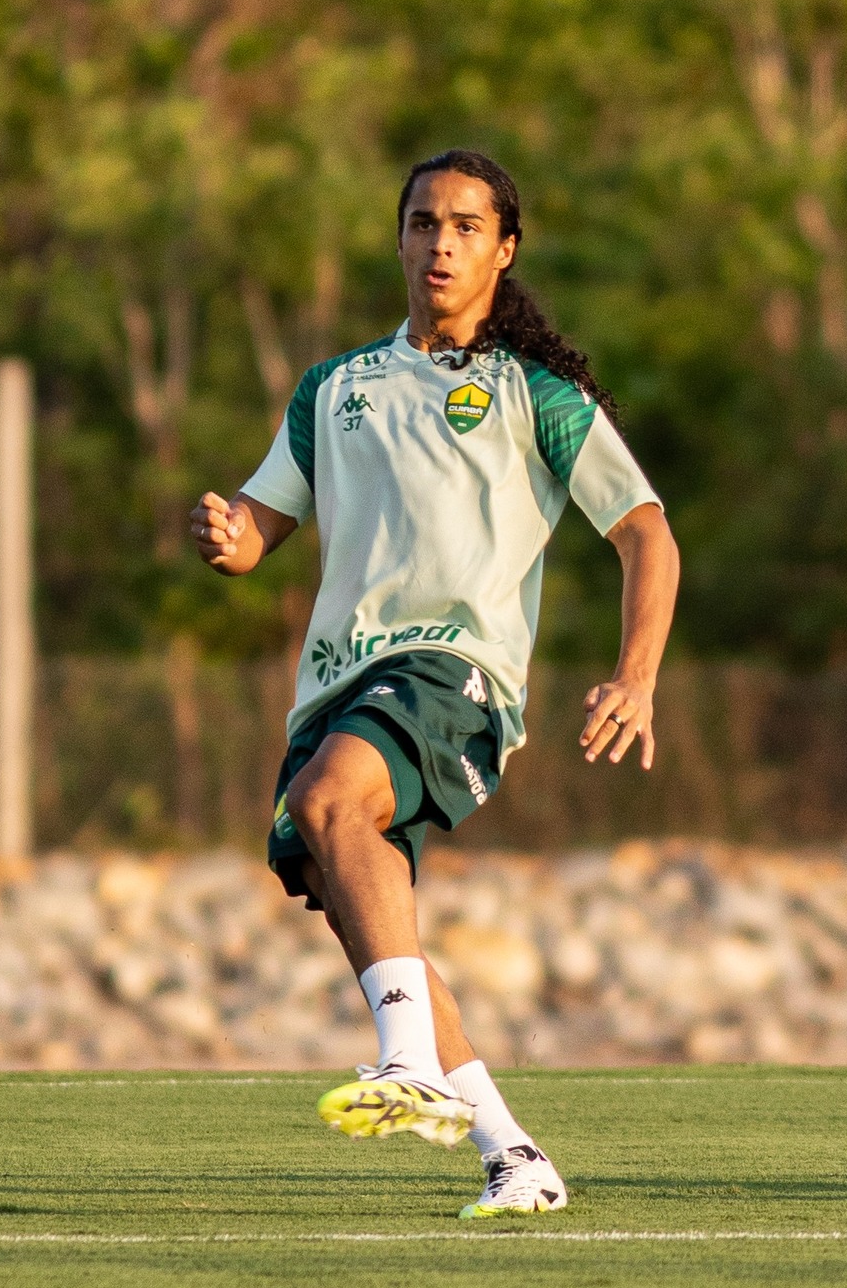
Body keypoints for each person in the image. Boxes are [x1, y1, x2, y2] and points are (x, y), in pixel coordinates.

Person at [190, 149, 680, 1216]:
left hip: (457, 670)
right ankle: (514, 1155)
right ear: (401, 239)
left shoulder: (534, 393)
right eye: (424, 223)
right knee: (375, 924)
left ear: (505, 250)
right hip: (338, 687)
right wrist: (230, 534)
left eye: (466, 226)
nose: (441, 244)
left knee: (330, 800)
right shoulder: (335, 388)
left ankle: (407, 1064)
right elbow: (262, 526)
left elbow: (646, 530)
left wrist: (635, 676)